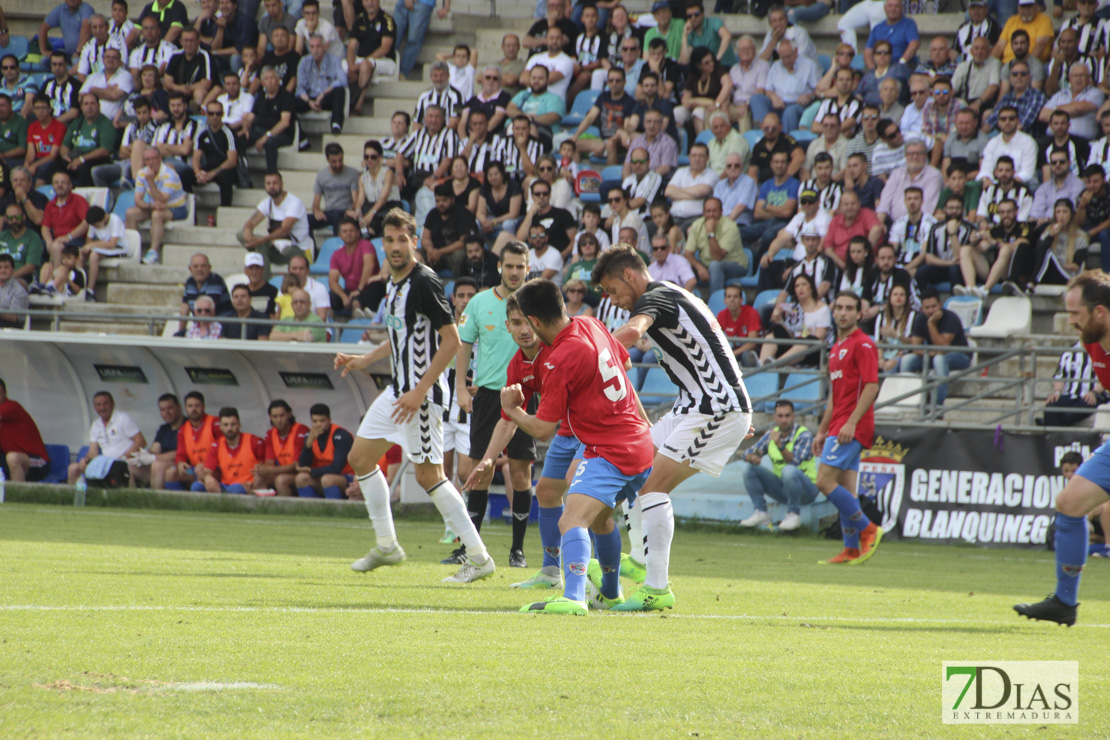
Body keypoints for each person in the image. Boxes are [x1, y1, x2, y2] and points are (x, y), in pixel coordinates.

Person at [338, 208, 496, 584]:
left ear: (413, 241)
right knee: (360, 458)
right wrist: (365, 358)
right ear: (382, 243)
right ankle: (387, 545)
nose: (395, 246)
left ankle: (479, 557)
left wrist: (420, 390)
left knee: (429, 476)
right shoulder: (393, 283)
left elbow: (452, 341)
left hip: (420, 397)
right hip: (398, 391)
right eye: (389, 240)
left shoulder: (423, 282)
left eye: (402, 239)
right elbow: (400, 337)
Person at [595, 243, 753, 611]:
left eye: (613, 290)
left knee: (652, 488)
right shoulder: (671, 296)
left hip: (714, 407)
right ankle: (637, 559)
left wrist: (593, 352)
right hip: (699, 406)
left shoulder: (657, 297)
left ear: (631, 276)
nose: (613, 299)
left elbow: (635, 328)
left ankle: (656, 588)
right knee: (633, 467)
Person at [493, 278, 650, 615]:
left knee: (571, 520)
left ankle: (574, 596)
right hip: (638, 440)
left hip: (609, 449)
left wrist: (512, 409)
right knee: (600, 520)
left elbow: (544, 430)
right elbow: (626, 365)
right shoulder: (592, 324)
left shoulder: (560, 358)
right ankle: (609, 593)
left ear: (534, 321)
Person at [1015, 272, 1110, 623]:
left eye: (1075, 314)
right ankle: (1064, 602)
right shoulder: (1092, 342)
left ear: (1099, 311)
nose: (1069, 322)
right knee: (1069, 504)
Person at [446, 241, 534, 566]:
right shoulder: (481, 302)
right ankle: (473, 549)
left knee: (522, 473)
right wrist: (460, 388)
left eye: (519, 266)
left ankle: (518, 551)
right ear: (500, 267)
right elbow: (463, 345)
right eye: (508, 266)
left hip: (526, 396)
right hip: (487, 397)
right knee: (476, 471)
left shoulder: (536, 300)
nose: (514, 272)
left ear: (528, 267)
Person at [810, 291, 883, 563]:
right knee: (845, 488)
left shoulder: (863, 344)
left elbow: (872, 385)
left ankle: (868, 529)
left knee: (824, 481)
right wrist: (821, 430)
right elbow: (834, 395)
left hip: (852, 426)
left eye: (849, 308)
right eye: (839, 307)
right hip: (838, 424)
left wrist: (851, 422)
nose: (843, 312)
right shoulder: (835, 348)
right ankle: (851, 548)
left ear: (858, 313)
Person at [739, 400, 816, 531]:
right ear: (775, 417)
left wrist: (780, 445)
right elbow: (746, 453)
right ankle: (761, 512)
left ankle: (794, 514)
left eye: (787, 415)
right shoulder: (771, 434)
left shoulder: (804, 435)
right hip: (783, 488)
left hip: (807, 489)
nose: (784, 420)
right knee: (748, 469)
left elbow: (794, 462)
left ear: (793, 416)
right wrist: (752, 457)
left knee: (788, 470)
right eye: (780, 416)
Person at [900, 287, 971, 407]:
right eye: (927, 308)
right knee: (907, 360)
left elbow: (943, 347)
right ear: (922, 308)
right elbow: (915, 347)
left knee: (939, 359)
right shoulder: (920, 318)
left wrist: (931, 324)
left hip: (960, 356)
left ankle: (938, 405)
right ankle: (907, 401)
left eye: (934, 306)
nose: (931, 311)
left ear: (940, 304)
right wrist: (930, 353)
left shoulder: (951, 317)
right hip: (934, 355)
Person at [240, 171, 313, 278]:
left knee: (261, 246)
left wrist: (262, 240)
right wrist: (247, 230)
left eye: (275, 183)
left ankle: (264, 282)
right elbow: (251, 221)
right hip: (276, 246)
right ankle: (263, 278)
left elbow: (284, 230)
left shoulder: (294, 203)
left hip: (296, 249)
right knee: (241, 235)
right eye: (268, 184)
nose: (271, 186)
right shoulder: (267, 203)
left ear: (282, 184)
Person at [126, 146, 187, 266]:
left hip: (176, 208)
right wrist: (150, 205)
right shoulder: (142, 173)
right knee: (130, 213)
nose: (150, 163)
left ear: (160, 158)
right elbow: (138, 200)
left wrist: (150, 181)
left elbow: (162, 199)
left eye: (153, 159)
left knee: (157, 215)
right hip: (156, 206)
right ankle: (132, 250)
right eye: (147, 160)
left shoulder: (170, 174)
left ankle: (153, 253)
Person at [68, 390, 146, 483]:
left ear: (112, 404)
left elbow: (141, 442)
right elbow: (93, 451)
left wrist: (124, 457)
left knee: (123, 468)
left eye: (105, 404)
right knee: (73, 468)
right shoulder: (95, 425)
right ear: (94, 407)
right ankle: (74, 497)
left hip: (124, 462)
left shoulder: (123, 418)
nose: (102, 408)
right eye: (98, 405)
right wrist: (86, 460)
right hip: (105, 464)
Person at [749, 39, 819, 134]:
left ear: (796, 51)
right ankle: (761, 135)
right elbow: (768, 89)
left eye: (788, 57)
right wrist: (773, 97)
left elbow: (818, 90)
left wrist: (809, 96)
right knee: (756, 98)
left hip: (797, 105)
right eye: (783, 58)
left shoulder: (809, 65)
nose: (786, 61)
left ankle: (785, 143)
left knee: (790, 112)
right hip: (778, 104)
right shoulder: (775, 66)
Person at [193, 407, 264, 494]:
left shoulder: (254, 441)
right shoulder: (217, 445)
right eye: (226, 425)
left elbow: (267, 467)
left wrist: (258, 481)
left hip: (247, 487)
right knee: (196, 486)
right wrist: (207, 477)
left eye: (233, 424)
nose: (229, 428)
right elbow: (207, 470)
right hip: (224, 486)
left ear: (239, 425)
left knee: (236, 488)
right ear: (220, 427)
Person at [684, 197, 747, 294]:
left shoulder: (731, 226)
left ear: (721, 212)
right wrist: (699, 267)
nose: (711, 215)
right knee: (682, 262)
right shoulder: (697, 224)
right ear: (703, 212)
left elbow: (717, 256)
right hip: (707, 265)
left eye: (714, 211)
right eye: (708, 211)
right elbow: (688, 252)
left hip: (735, 265)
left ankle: (714, 303)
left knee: (715, 266)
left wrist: (710, 232)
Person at [294, 403, 355, 498]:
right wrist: (308, 444)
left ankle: (335, 509)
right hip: (321, 475)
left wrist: (311, 471)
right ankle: (310, 510)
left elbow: (336, 468)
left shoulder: (341, 435)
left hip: (346, 477)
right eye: (315, 421)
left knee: (327, 479)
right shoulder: (309, 435)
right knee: (301, 478)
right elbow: (303, 464)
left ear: (329, 420)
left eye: (322, 420)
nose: (318, 424)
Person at [1042, 340, 1107, 427]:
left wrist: (1094, 392)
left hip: (1095, 395)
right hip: (1070, 395)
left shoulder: (1104, 351)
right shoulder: (1068, 352)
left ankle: (1048, 425)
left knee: (1075, 411)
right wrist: (1057, 392)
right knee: (1051, 406)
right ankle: (1053, 435)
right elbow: (1060, 375)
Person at [253, 400, 309, 496]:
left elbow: (296, 466)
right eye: (275, 417)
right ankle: (265, 509)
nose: (279, 420)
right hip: (283, 472)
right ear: (270, 417)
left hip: (302, 473)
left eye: (282, 416)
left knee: (281, 480)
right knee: (259, 478)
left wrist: (271, 470)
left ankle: (285, 509)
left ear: (289, 414)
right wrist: (262, 468)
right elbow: (270, 462)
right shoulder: (270, 434)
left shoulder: (300, 430)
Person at [59, 93, 115, 187]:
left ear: (98, 106)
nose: (89, 107)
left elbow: (104, 150)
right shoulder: (77, 122)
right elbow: (65, 145)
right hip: (76, 158)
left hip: (95, 160)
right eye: (86, 104)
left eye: (92, 103)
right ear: (81, 107)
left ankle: (83, 199)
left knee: (84, 169)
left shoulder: (105, 123)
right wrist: (66, 157)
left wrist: (81, 159)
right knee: (56, 167)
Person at [296, 33, 347, 135]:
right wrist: (309, 102)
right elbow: (300, 87)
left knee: (339, 91)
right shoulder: (304, 61)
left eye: (318, 46)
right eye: (312, 47)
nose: (315, 50)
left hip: (325, 98)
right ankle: (300, 138)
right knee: (288, 101)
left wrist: (323, 93)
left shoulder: (334, 60)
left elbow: (343, 80)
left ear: (324, 47)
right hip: (309, 98)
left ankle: (336, 125)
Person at [0, 377, 50, 482]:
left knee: (13, 457)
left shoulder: (12, 406)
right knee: (10, 457)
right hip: (9, 458)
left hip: (36, 461)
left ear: (5, 394)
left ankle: (17, 497)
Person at [329, 217, 382, 316]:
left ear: (358, 233)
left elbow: (369, 266)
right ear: (339, 235)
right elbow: (332, 281)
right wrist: (343, 296)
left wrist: (359, 290)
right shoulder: (337, 254)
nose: (348, 233)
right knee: (329, 297)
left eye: (351, 230)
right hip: (350, 292)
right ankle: (331, 329)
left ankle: (356, 324)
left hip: (368, 290)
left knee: (357, 301)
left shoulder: (366, 245)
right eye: (345, 231)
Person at [192, 101, 239, 208]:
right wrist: (198, 172)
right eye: (211, 113)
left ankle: (225, 210)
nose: (215, 117)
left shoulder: (228, 133)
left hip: (224, 169)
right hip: (209, 169)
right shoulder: (203, 134)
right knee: (185, 176)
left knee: (225, 178)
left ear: (222, 114)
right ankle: (191, 210)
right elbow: (196, 158)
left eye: (218, 114)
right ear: (206, 114)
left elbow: (232, 160)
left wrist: (213, 173)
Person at [977, 107, 1037, 186]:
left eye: (1011, 119)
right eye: (1003, 119)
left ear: (1017, 121)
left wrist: (1008, 184)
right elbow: (985, 169)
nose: (1007, 122)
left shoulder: (1028, 142)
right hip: (997, 185)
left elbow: (1027, 173)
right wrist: (986, 179)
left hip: (1022, 185)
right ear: (998, 122)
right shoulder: (992, 143)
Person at [42, 171, 89, 270]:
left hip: (76, 239)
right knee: (37, 246)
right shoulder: (50, 204)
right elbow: (45, 226)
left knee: (57, 247)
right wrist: (48, 240)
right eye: (56, 182)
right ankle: (38, 279)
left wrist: (69, 237)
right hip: (57, 239)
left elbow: (86, 222)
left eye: (63, 182)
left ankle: (56, 281)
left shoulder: (79, 200)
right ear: (52, 185)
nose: (59, 185)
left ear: (70, 185)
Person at [0, 203, 45, 287]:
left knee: (13, 285)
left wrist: (9, 278)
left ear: (24, 217)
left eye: (18, 217)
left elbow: (30, 266)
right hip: (1, 277)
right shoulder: (2, 236)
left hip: (23, 279)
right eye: (10, 218)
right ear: (5, 219)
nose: (14, 221)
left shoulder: (33, 237)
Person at [39, 0, 96, 65]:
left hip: (84, 54)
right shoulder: (60, 9)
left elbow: (86, 30)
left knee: (75, 61)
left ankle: (68, 74)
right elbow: (43, 28)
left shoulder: (87, 9)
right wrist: (43, 51)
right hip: (67, 53)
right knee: (44, 61)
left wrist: (77, 52)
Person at [717, 283, 761, 366]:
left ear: (741, 300)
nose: (732, 299)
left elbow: (752, 343)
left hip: (754, 349)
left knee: (746, 356)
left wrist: (733, 354)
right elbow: (714, 336)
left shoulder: (751, 313)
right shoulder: (721, 315)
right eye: (729, 297)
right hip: (736, 350)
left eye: (735, 296)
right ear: (725, 300)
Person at [0, 252, 28, 327]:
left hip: (9, 327)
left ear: (12, 270)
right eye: (0, 267)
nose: (3, 271)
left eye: (6, 267)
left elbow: (14, 317)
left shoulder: (18, 290)